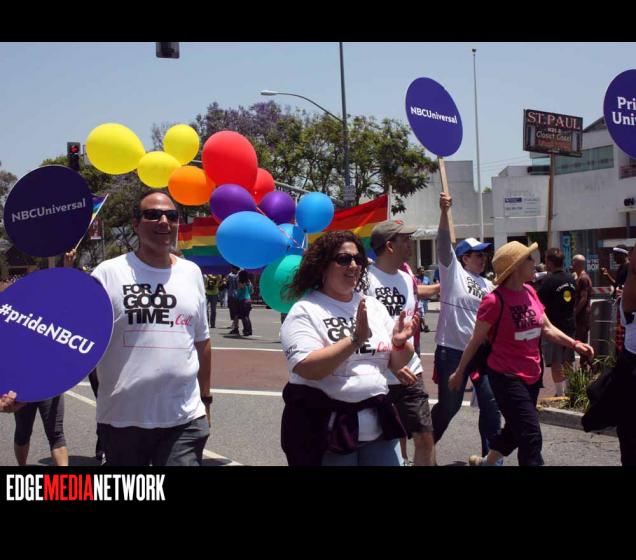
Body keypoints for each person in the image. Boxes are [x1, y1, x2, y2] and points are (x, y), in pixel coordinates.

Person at [90, 191, 212, 466]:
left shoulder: (192, 273)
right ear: (136, 224)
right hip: (122, 420)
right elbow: (75, 338)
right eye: (153, 215)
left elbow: (202, 341)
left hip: (184, 418)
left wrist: (206, 400)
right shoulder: (107, 273)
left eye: (171, 216)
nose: (164, 222)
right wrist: (33, 387)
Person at [280, 230, 419, 466]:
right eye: (344, 259)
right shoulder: (305, 310)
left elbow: (396, 363)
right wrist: (355, 339)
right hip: (327, 432)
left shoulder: (373, 306)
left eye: (358, 259)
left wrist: (399, 343)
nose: (353, 265)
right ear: (322, 266)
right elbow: (308, 368)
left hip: (378, 428)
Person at [449, 241, 594, 466]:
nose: (534, 262)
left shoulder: (530, 292)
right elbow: (475, 340)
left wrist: (575, 344)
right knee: (530, 435)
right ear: (515, 266)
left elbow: (547, 328)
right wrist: (459, 372)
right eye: (528, 259)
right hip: (506, 377)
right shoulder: (494, 301)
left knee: (514, 431)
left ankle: (486, 463)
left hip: (532, 374)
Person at [431, 192, 502, 460]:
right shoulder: (453, 273)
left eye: (485, 254)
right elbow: (442, 243)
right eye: (477, 254)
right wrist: (443, 212)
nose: (483, 258)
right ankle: (426, 447)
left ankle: (490, 462)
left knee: (491, 406)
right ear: (463, 258)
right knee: (449, 408)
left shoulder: (489, 284)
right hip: (452, 351)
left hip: (482, 354)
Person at [366, 220, 437, 466]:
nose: (410, 244)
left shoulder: (407, 279)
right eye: (404, 239)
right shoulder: (365, 280)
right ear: (389, 246)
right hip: (378, 373)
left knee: (425, 437)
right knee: (389, 441)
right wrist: (391, 363)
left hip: (410, 370)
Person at [537, 248, 577, 396]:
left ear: (550, 262)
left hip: (553, 327)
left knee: (556, 362)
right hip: (569, 325)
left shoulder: (548, 281)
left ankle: (560, 394)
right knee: (568, 360)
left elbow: (538, 303)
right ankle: (572, 391)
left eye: (546, 259)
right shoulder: (571, 279)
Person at [572, 254, 593, 367]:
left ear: (577, 263)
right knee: (580, 341)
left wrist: (575, 312)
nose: (572, 264)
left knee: (580, 342)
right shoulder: (579, 277)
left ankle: (590, 364)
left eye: (573, 262)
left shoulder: (583, 278)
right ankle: (588, 364)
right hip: (582, 316)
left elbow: (584, 298)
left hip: (582, 316)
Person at [415, 266, 432, 333]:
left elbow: (429, 287)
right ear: (418, 272)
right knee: (421, 313)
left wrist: (429, 295)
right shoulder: (415, 279)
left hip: (425, 299)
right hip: (419, 299)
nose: (422, 272)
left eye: (423, 271)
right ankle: (425, 326)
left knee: (424, 312)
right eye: (421, 271)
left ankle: (420, 326)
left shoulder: (427, 279)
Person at [237, 270, 253, 336]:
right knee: (247, 316)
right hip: (249, 300)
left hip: (243, 300)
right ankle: (249, 330)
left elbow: (239, 291)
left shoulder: (240, 282)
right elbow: (251, 291)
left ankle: (246, 330)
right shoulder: (249, 282)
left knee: (244, 316)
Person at [227, 266, 241, 335]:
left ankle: (235, 328)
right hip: (236, 295)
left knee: (234, 313)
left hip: (232, 295)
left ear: (235, 269)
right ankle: (235, 326)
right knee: (236, 313)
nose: (231, 269)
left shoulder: (231, 276)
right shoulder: (239, 275)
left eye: (232, 268)